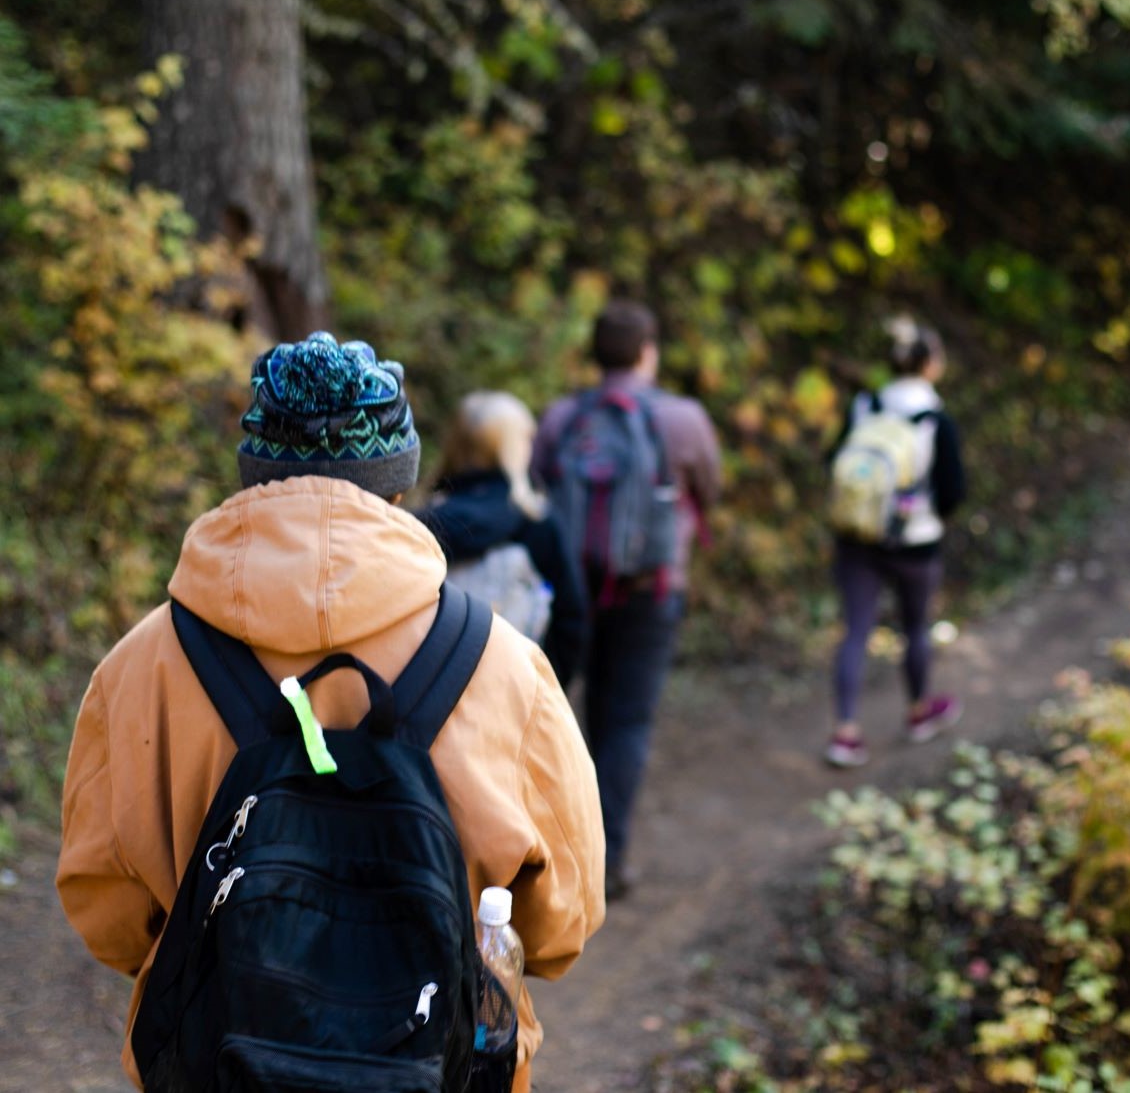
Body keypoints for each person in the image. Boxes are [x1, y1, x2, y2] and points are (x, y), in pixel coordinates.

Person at [56, 331, 606, 1093]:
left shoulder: (139, 665)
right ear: (399, 486)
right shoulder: (504, 664)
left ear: (252, 475)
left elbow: (106, 911)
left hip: (219, 1064)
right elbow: (557, 927)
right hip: (435, 1068)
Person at [531, 299, 722, 901]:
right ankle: (606, 860)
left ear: (594, 353)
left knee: (573, 719)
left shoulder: (563, 418)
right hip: (652, 589)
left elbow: (538, 488)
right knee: (627, 724)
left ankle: (557, 847)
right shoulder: (682, 419)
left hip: (573, 590)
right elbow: (709, 488)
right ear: (648, 352)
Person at [825, 317, 967, 768]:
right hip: (916, 542)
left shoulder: (864, 405)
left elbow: (836, 464)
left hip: (857, 537)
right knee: (915, 628)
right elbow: (952, 492)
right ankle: (918, 711)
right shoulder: (935, 420)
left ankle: (846, 732)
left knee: (856, 631)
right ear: (929, 365)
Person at [416, 390, 588, 688]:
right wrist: (550, 688)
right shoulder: (536, 522)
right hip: (517, 687)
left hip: (432, 690)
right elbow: (571, 616)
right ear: (513, 449)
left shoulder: (422, 523)